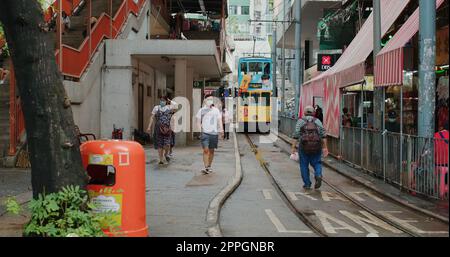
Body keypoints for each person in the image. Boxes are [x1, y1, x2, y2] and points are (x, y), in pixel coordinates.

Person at [291, 106, 328, 189]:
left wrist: (293, 147)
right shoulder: (317, 121)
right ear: (313, 113)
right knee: (317, 163)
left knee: (304, 165)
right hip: (317, 146)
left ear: (304, 113)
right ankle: (318, 175)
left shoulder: (301, 121)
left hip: (303, 147)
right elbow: (323, 135)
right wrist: (325, 147)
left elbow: (296, 134)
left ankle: (307, 184)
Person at [147, 96, 178, 165]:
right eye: (161, 100)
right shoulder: (156, 108)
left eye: (164, 100)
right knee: (159, 145)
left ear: (166, 101)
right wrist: (149, 127)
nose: (162, 101)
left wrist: (170, 101)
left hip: (167, 128)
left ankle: (166, 154)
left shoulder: (169, 107)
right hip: (158, 128)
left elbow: (176, 106)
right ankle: (161, 159)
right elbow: (152, 117)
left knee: (167, 144)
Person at [196, 96, 224, 174]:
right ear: (205, 100)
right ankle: (206, 167)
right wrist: (200, 131)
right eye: (208, 99)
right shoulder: (201, 110)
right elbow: (198, 121)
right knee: (206, 150)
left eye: (211, 99)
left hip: (214, 134)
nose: (209, 101)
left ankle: (209, 166)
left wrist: (221, 130)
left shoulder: (216, 110)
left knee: (211, 151)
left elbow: (219, 121)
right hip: (205, 133)